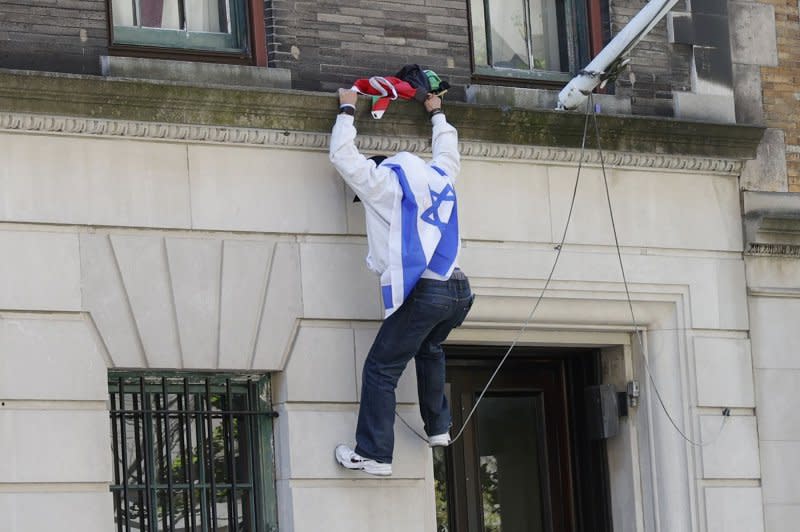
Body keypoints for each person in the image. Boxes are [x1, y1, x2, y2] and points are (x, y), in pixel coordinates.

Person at [329, 87, 474, 476]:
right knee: (430, 348)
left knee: (381, 368)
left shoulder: (384, 185)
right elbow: (448, 151)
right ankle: (439, 427)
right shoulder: (440, 177)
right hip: (459, 290)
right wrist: (437, 112)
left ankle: (375, 453)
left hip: (428, 291)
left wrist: (347, 107)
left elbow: (343, 157)